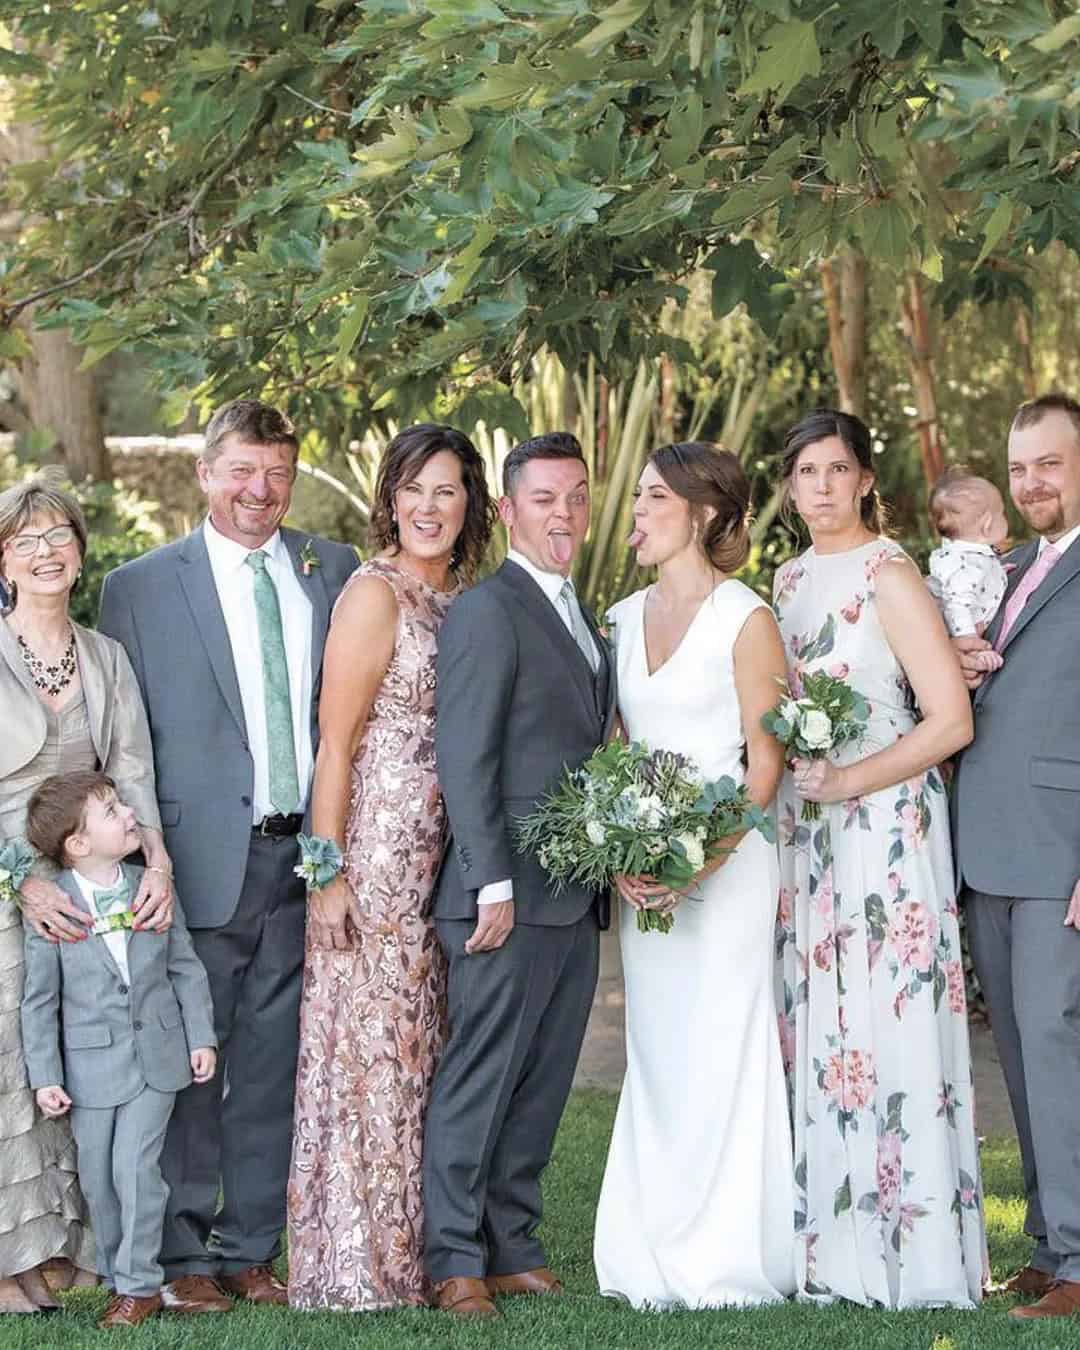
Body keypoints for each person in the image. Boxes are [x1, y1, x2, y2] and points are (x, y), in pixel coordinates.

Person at [98, 399, 357, 1315]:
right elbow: (117, 739)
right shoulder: (136, 587)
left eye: (277, 472)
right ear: (207, 473)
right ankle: (180, 1252)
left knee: (276, 1063)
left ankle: (250, 1245)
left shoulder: (335, 569)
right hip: (196, 861)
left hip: (305, 862)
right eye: (242, 470)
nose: (260, 490)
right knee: (190, 1063)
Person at [773, 408, 984, 1308]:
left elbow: (950, 720)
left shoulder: (891, 575)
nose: (820, 487)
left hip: (887, 828)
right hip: (810, 833)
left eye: (836, 470)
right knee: (826, 1025)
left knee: (888, 1019)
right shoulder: (783, 581)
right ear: (787, 486)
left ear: (866, 479)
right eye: (804, 472)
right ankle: (833, 1248)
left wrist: (852, 778)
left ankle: (914, 1254)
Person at [287, 425, 495, 1311]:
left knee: (422, 1047)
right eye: (413, 488)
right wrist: (324, 872)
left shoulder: (469, 601)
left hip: (447, 855)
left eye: (446, 491)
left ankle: (426, 1247)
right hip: (374, 853)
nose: (428, 507)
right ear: (390, 497)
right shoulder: (374, 595)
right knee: (370, 1047)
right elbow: (334, 743)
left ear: (470, 505)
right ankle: (356, 1260)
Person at [592, 443, 796, 1309]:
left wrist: (694, 862)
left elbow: (764, 764)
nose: (634, 511)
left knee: (723, 1048)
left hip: (732, 871)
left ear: (704, 514)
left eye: (651, 497)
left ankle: (727, 1261)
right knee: (661, 1051)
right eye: (635, 496)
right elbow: (618, 751)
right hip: (647, 876)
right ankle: (649, 1251)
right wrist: (626, 854)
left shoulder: (746, 619)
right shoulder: (619, 615)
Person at [422, 432, 616, 1320]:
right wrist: (489, 879)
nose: (564, 514)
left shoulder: (583, 613)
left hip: (573, 891)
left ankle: (512, 1243)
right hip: (502, 894)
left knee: (541, 1079)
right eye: (543, 498)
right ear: (506, 511)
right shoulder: (486, 609)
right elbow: (465, 755)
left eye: (576, 496)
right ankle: (453, 1255)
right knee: (482, 1073)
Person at [0, 476, 172, 1316]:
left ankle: (59, 1246)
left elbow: (134, 769)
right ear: (3, 558)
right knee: (9, 1064)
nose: (44, 552)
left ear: (79, 548)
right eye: (25, 540)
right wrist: (21, 879)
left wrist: (159, 869)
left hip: (91, 882)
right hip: (8, 881)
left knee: (81, 1059)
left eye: (58, 535)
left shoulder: (105, 655)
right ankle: (4, 1266)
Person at [952, 393, 1080, 1321]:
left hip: (1060, 853)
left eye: (1052, 463)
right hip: (985, 847)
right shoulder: (1004, 568)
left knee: (1055, 1045)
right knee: (1023, 1060)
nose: (1032, 481)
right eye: (1021, 465)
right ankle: (1048, 1243)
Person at [21, 771, 216, 1330]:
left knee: (137, 1171)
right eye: (110, 811)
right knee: (100, 1181)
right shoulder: (52, 910)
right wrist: (45, 1076)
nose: (129, 814)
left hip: (157, 1057)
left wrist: (199, 1036)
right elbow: (40, 1003)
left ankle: (139, 1285)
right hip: (89, 1066)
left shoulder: (151, 888)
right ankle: (115, 1271)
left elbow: (184, 967)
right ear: (77, 845)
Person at [926, 470, 1010, 674]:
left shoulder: (969, 557)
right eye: (1002, 513)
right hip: (964, 640)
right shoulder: (965, 567)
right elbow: (957, 608)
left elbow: (979, 581)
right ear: (988, 523)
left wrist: (998, 572)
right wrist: (973, 648)